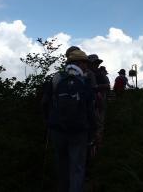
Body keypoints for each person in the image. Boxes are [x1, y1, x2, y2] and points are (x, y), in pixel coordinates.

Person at [42, 49, 96, 192]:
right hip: (79, 130)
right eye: (85, 63)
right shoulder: (85, 80)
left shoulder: (56, 78)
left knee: (62, 165)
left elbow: (45, 102)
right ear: (79, 63)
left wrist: (49, 122)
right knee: (77, 167)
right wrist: (92, 133)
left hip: (57, 129)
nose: (87, 66)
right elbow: (90, 109)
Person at [88, 54, 110, 150]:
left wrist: (96, 88)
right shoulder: (92, 73)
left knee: (98, 123)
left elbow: (107, 86)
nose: (95, 65)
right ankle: (95, 144)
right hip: (96, 102)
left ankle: (97, 144)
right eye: (94, 63)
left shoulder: (92, 73)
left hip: (98, 102)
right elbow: (107, 86)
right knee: (98, 123)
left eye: (96, 63)